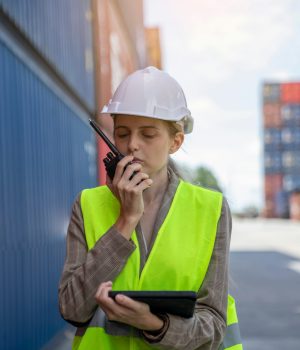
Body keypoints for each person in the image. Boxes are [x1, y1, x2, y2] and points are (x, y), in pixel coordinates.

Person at [58, 66, 242, 350]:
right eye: (122, 133)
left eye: (147, 134)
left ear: (176, 141)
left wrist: (155, 325)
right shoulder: (87, 205)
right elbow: (72, 308)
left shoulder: (211, 209)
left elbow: (214, 326)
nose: (132, 145)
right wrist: (125, 221)